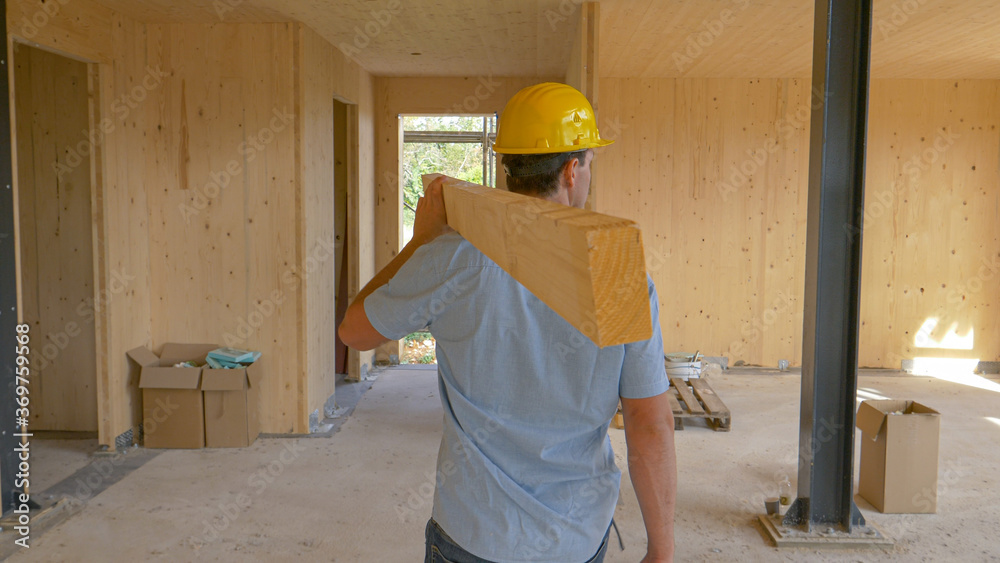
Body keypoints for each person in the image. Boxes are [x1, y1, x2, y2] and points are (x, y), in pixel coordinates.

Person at [339, 82, 676, 563]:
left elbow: (354, 331)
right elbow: (649, 423)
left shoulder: (452, 260)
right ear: (571, 170)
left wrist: (422, 242)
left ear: (506, 169)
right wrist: (661, 551)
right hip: (574, 537)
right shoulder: (619, 277)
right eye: (589, 165)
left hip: (474, 533)